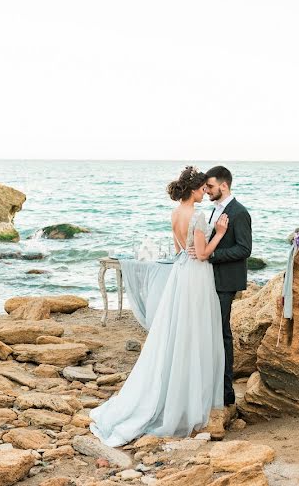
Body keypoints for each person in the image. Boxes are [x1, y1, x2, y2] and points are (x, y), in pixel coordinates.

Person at [89, 166, 228, 446]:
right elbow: (201, 254)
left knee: (178, 332)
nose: (205, 192)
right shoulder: (198, 215)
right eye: (202, 188)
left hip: (180, 273)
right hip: (196, 277)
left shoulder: (176, 213)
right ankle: (187, 403)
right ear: (193, 189)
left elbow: (182, 250)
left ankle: (175, 393)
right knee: (195, 333)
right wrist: (220, 233)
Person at [200, 165, 252, 407]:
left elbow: (244, 249)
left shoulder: (239, 212)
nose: (207, 190)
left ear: (224, 185)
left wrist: (211, 256)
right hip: (211, 279)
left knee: (222, 335)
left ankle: (226, 392)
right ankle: (214, 387)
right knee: (214, 333)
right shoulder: (214, 211)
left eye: (210, 186)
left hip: (226, 282)